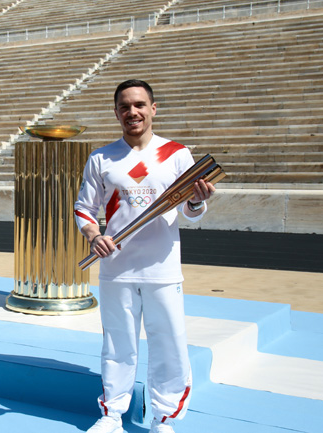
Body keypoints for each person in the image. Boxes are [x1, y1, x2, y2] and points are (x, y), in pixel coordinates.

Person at [74, 80, 215, 433]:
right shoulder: (102, 158)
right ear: (116, 112)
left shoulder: (177, 154)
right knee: (117, 344)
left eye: (139, 104)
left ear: (153, 109)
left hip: (161, 268)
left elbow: (190, 209)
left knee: (168, 344)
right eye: (124, 106)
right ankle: (111, 415)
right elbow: (84, 209)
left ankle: (163, 418)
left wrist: (197, 200)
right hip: (116, 267)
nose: (132, 112)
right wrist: (94, 236)